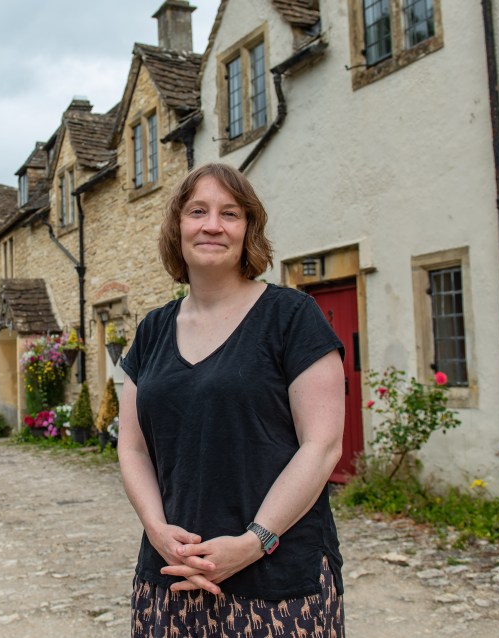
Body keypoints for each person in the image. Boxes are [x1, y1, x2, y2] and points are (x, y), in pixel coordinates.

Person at [118, 163, 346, 637]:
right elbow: (133, 447)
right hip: (172, 576)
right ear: (177, 227)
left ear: (249, 229)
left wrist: (253, 541)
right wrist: (159, 532)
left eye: (231, 213)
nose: (212, 225)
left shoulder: (292, 317)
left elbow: (322, 446)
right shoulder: (153, 330)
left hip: (279, 582)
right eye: (197, 211)